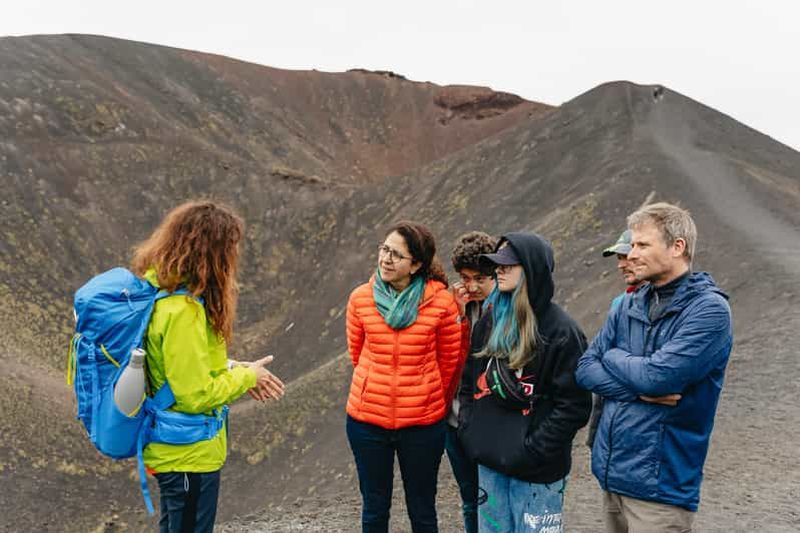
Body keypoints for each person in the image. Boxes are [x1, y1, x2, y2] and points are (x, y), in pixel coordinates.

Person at [575, 202, 733, 532]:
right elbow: (586, 367)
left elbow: (657, 378)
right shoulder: (627, 304)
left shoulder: (709, 311)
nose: (631, 254)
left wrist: (613, 356)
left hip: (660, 489)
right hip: (612, 476)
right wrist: (638, 392)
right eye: (632, 245)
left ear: (677, 247)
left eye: (642, 245)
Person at [132, 200, 285, 533]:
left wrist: (235, 367)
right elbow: (195, 395)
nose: (234, 257)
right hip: (187, 455)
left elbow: (181, 367)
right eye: (230, 248)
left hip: (180, 450)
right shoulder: (183, 312)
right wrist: (247, 377)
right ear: (211, 253)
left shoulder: (166, 295)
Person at [458, 232, 592, 532]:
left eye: (508, 264)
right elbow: (469, 382)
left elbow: (574, 406)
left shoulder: (561, 332)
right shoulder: (490, 322)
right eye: (497, 264)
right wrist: (471, 430)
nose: (499, 270)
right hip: (491, 464)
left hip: (538, 475)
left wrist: (533, 450)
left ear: (532, 269)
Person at [345, 221, 467, 533]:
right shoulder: (360, 299)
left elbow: (449, 363)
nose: (386, 259)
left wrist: (424, 397)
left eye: (396, 255)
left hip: (422, 425)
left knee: (422, 509)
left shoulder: (441, 304)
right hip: (367, 421)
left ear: (416, 265)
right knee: (374, 509)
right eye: (384, 249)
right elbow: (357, 355)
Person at [446, 231, 498, 533]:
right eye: (466, 278)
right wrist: (458, 317)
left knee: (493, 499)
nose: (473, 286)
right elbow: (449, 359)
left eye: (480, 278)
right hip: (455, 421)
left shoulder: (506, 309)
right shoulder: (456, 307)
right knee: (470, 498)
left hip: (490, 423)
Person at [585, 229, 643, 448]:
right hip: (607, 412)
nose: (621, 265)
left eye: (626, 256)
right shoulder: (619, 302)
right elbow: (592, 362)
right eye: (619, 258)